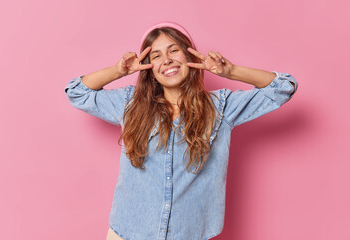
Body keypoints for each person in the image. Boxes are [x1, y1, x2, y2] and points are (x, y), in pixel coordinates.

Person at [64, 21, 298, 240]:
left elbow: (283, 87)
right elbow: (76, 92)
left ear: (189, 56)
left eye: (173, 50)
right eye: (156, 55)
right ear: (149, 69)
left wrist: (232, 72)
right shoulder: (130, 104)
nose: (166, 60)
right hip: (128, 232)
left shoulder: (221, 107)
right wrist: (119, 71)